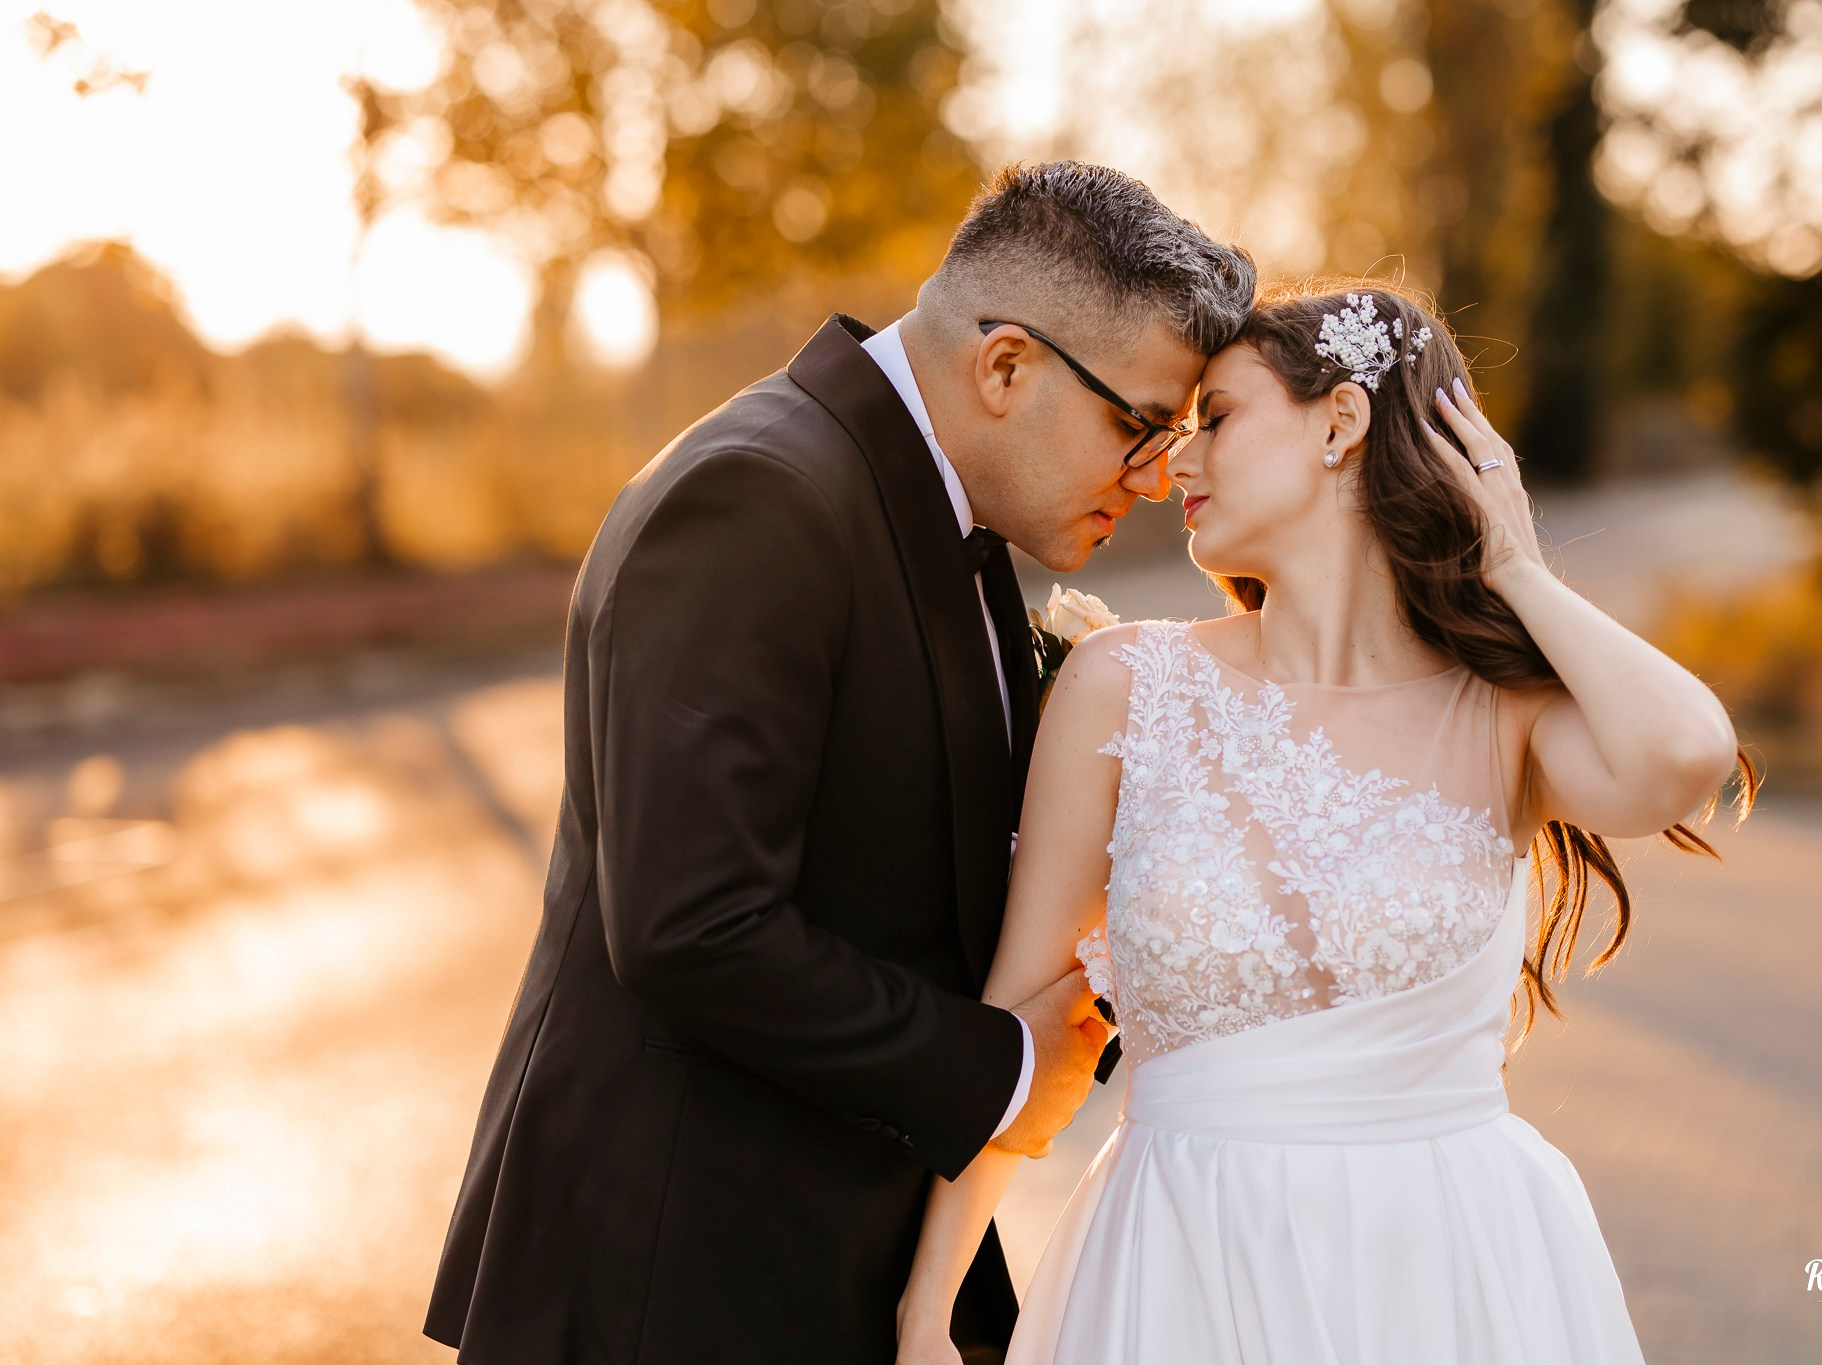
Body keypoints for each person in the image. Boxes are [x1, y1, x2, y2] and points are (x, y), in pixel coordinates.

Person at [420, 162, 1256, 1365]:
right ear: (1006, 366)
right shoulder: (759, 494)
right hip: (675, 1274)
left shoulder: (930, 503)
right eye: (1136, 426)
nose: (1152, 474)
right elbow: (688, 923)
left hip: (815, 1248)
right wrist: (1000, 1067)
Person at [894, 281, 1756, 1364]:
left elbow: (1683, 755)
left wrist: (1515, 566)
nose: (1173, 467)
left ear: (1339, 422)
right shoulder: (1126, 687)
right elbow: (1018, 1024)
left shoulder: (1499, 715)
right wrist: (928, 1312)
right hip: (1178, 1266)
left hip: (1446, 1269)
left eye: (1215, 420)